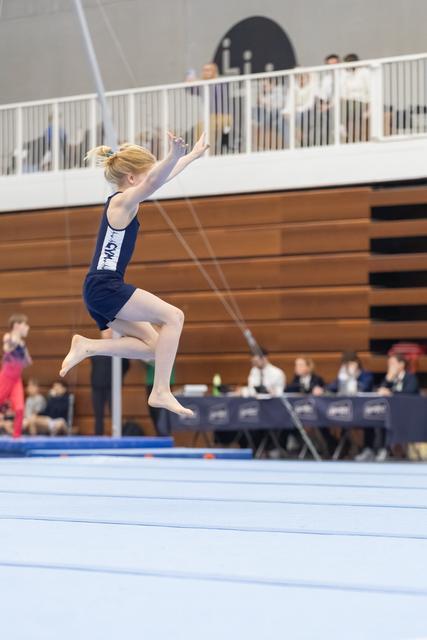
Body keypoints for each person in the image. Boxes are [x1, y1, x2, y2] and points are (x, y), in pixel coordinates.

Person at [59, 132, 209, 418]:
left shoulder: (127, 201)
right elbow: (155, 180)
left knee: (155, 347)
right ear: (131, 178)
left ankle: (88, 345)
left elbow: (157, 179)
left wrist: (190, 156)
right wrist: (173, 155)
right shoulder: (121, 203)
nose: (153, 179)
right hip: (105, 287)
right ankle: (161, 391)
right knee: (174, 317)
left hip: (100, 290)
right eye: (147, 173)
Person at [356, 354, 419, 462]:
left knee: (385, 418)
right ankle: (369, 449)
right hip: (388, 412)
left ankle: (384, 449)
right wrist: (388, 379)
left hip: (407, 414)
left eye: (392, 363)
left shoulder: (410, 378)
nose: (390, 366)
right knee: (370, 416)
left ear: (401, 364)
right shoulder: (390, 378)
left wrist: (391, 393)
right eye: (389, 364)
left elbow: (410, 393)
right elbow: (380, 391)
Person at [90, 328, 130, 436]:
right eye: (105, 332)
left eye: (109, 332)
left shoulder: (118, 350)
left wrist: (120, 379)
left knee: (115, 413)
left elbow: (126, 365)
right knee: (98, 415)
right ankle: (98, 436)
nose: (107, 333)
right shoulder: (96, 349)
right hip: (97, 387)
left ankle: (117, 435)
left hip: (113, 387)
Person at [0, 314, 32, 438]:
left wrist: (23, 351)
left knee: (19, 409)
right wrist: (15, 342)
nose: (28, 328)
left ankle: (16, 437)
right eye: (25, 325)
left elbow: (28, 362)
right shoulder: (9, 337)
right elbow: (7, 348)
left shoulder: (22, 344)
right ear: (17, 325)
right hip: (6, 378)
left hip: (16, 380)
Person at [340, 54, 371, 142]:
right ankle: (341, 126)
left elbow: (371, 91)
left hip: (362, 101)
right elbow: (342, 91)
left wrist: (370, 108)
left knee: (348, 107)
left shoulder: (364, 72)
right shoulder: (345, 74)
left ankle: (342, 125)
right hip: (349, 101)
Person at [317, 54, 340, 145]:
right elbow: (323, 94)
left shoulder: (344, 75)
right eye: (330, 65)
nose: (333, 67)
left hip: (341, 103)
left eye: (335, 64)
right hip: (329, 105)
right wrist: (322, 104)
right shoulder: (327, 79)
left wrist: (329, 105)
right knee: (319, 113)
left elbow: (341, 94)